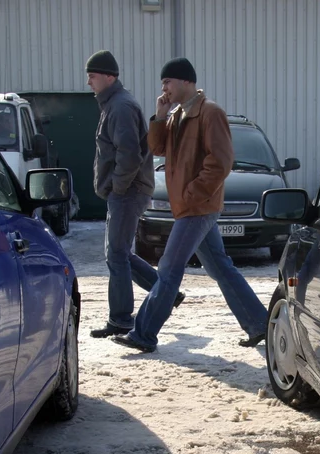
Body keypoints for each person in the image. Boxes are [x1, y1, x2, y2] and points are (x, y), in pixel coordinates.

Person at [112, 57, 268, 353]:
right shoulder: (176, 115)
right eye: (163, 84)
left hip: (198, 206)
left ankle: (143, 333)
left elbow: (221, 161)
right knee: (221, 268)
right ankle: (259, 324)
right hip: (190, 205)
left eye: (168, 82)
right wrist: (159, 115)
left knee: (169, 268)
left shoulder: (210, 113)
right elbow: (157, 148)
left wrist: (193, 193)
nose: (164, 88)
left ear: (185, 81)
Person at [85, 49, 184, 338]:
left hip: (128, 191)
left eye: (92, 76)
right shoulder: (113, 105)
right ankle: (166, 292)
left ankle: (121, 320)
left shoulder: (121, 107)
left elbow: (129, 154)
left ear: (109, 76)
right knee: (118, 253)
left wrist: (117, 186)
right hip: (126, 190)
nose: (89, 82)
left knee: (116, 254)